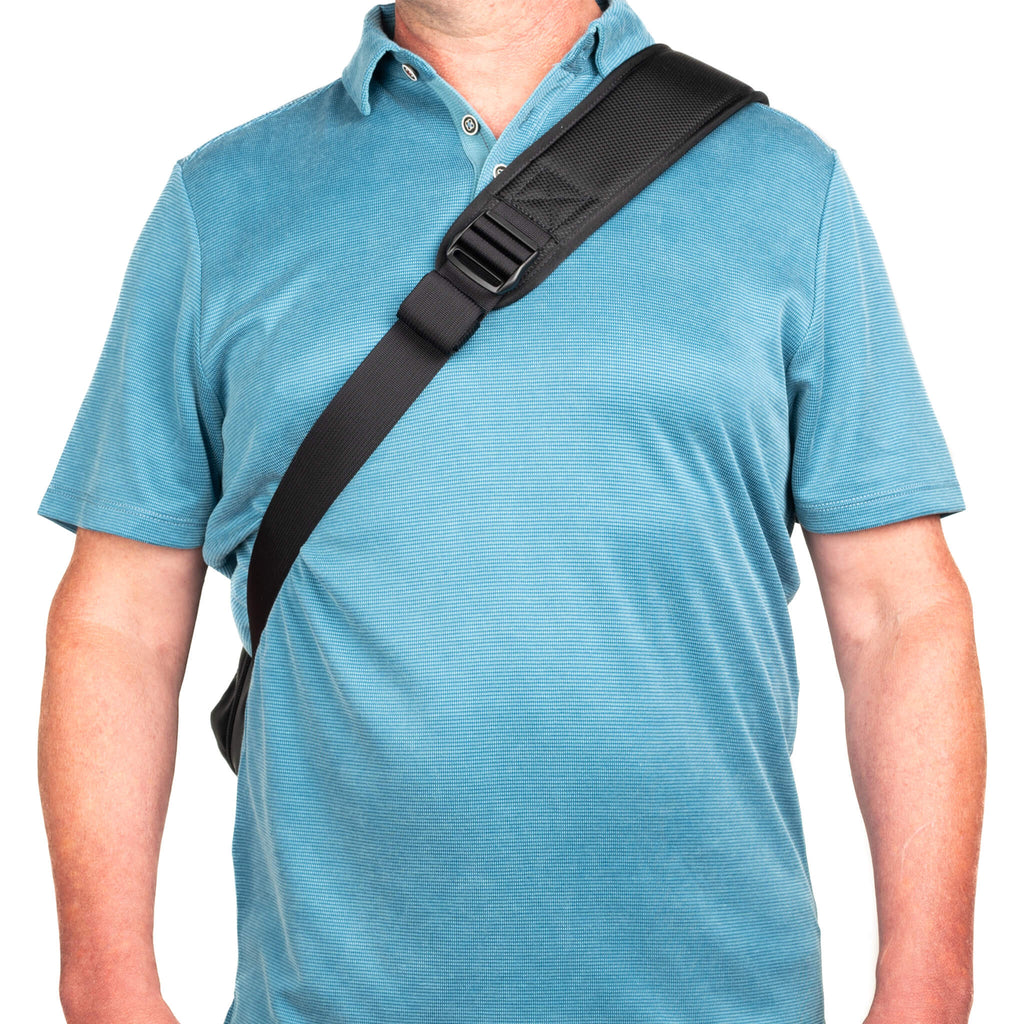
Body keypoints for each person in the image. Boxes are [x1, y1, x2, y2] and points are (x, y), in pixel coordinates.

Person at [36, 1, 986, 1022]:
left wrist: (927, 985)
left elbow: (899, 614)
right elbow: (122, 617)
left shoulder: (787, 186)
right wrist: (105, 983)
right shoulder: (222, 203)